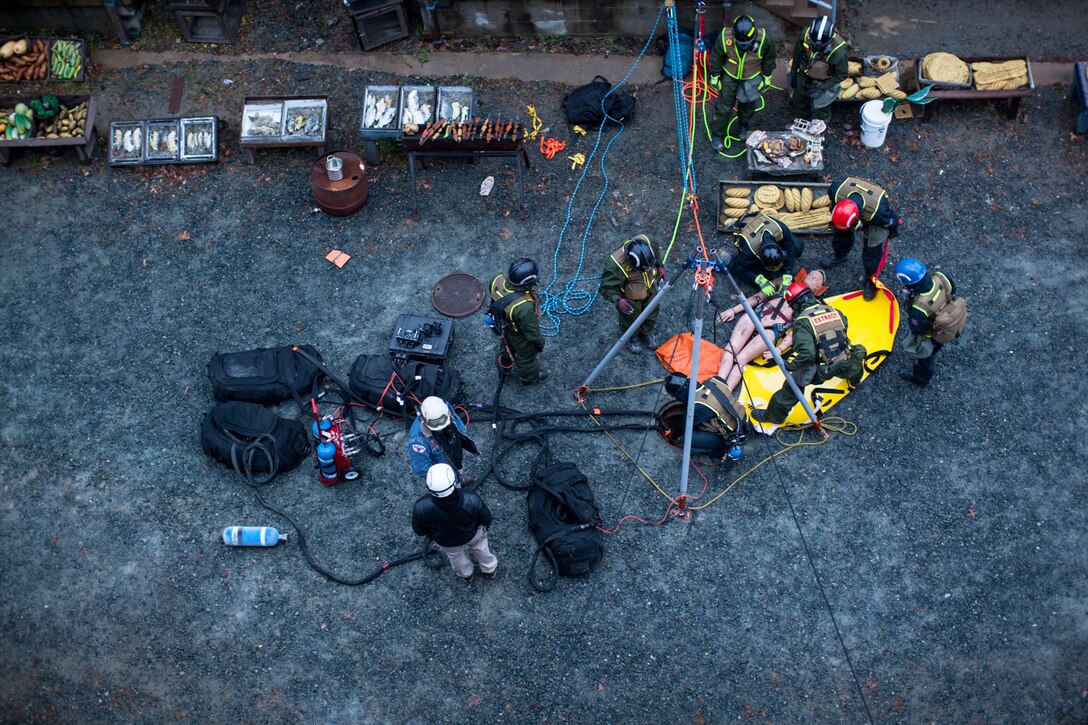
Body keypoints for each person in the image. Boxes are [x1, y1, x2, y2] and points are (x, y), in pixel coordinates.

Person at [751, 280, 866, 424]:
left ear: (795, 304)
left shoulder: (803, 322)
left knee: (791, 388)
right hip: (846, 357)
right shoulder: (833, 310)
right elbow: (844, 326)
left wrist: (791, 366)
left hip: (822, 368)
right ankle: (855, 380)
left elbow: (807, 354)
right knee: (856, 359)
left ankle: (774, 416)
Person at [716, 269, 826, 391]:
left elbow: (796, 330)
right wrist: (733, 310)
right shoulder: (784, 282)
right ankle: (717, 384)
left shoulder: (812, 306)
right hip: (756, 316)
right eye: (811, 274)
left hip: (771, 330)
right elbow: (757, 297)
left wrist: (780, 348)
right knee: (730, 349)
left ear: (818, 288)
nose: (812, 276)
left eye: (815, 278)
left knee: (741, 360)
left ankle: (723, 394)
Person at [411, 463, 497, 583]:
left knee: (456, 557)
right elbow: (486, 518)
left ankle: (466, 574)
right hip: (473, 534)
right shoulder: (471, 499)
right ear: (453, 481)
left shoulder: (421, 507)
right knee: (481, 549)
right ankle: (489, 570)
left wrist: (433, 535)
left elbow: (419, 530)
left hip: (446, 541)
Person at [821, 176, 903, 301]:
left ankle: (871, 279)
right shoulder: (835, 190)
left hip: (875, 220)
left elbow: (892, 222)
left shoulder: (880, 212)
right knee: (840, 235)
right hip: (852, 213)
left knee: (872, 252)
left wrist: (892, 233)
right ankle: (840, 255)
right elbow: (834, 204)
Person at [707, 15, 777, 151]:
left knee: (748, 105)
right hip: (729, 75)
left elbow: (769, 59)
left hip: (752, 76)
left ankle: (743, 126)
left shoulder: (764, 40)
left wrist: (767, 77)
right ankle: (717, 135)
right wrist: (715, 76)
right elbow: (716, 57)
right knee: (723, 107)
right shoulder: (725, 37)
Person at [894, 258, 963, 386]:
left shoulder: (919, 308)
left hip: (933, 334)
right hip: (948, 319)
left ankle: (922, 378)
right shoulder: (941, 277)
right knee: (936, 347)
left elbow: (918, 329)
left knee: (926, 356)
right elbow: (953, 289)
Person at [599, 234, 667, 354]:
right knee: (630, 317)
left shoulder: (649, 241)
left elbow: (656, 252)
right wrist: (618, 301)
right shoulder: (615, 266)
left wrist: (659, 266)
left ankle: (646, 331)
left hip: (650, 287)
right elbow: (606, 287)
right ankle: (633, 336)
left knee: (652, 310)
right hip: (630, 296)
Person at [489, 257, 548, 385]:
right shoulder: (524, 307)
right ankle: (529, 378)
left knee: (505, 349)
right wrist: (540, 343)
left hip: (503, 326)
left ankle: (503, 372)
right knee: (526, 357)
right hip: (519, 336)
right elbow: (532, 332)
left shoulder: (497, 279)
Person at [663, 372, 747, 461]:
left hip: (733, 436)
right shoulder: (716, 380)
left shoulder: (696, 408)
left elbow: (687, 430)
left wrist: (678, 437)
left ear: (679, 395)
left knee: (687, 438)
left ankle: (718, 453)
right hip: (744, 419)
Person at [726, 211, 803, 294]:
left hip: (764, 226)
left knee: (798, 247)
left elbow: (790, 249)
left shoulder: (781, 229)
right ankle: (728, 260)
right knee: (759, 272)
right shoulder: (749, 251)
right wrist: (759, 280)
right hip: (746, 230)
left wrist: (788, 273)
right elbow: (741, 268)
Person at [788, 16, 848, 122]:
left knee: (820, 110)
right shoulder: (806, 35)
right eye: (813, 43)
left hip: (823, 82)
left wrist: (822, 88)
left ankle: (818, 132)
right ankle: (802, 123)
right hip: (803, 76)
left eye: (821, 46)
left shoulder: (838, 51)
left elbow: (841, 74)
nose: (816, 47)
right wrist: (793, 73)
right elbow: (797, 53)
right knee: (799, 102)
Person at [407, 396, 478, 485]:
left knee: (457, 463)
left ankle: (459, 478)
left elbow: (457, 422)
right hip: (443, 472)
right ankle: (454, 485)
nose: (440, 428)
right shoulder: (418, 441)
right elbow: (421, 468)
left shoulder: (444, 407)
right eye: (435, 425)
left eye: (443, 423)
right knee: (451, 491)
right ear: (424, 419)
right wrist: (444, 479)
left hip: (452, 449)